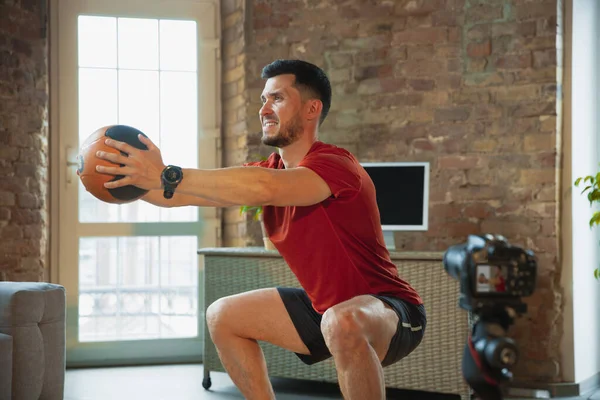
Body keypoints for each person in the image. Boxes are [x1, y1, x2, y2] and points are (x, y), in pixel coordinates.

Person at [95, 59, 427, 400]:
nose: (264, 109)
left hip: (391, 311)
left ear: (313, 108)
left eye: (277, 99)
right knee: (222, 315)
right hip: (324, 311)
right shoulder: (266, 171)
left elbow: (266, 188)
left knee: (342, 321)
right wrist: (121, 180)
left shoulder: (336, 164)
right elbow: (178, 195)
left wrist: (167, 173)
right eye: (263, 100)